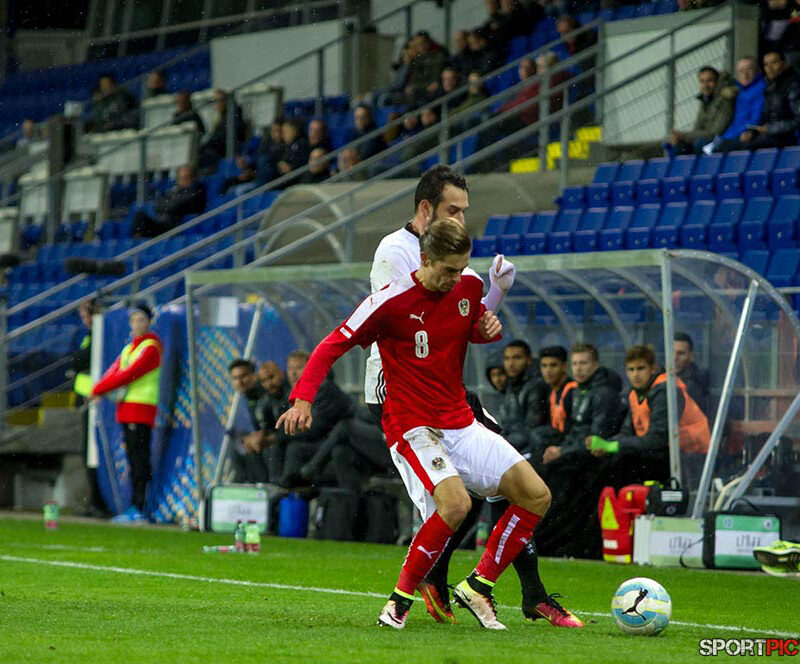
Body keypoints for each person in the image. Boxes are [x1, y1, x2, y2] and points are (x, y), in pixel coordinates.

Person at [277, 219, 581, 631]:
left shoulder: (468, 286)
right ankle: (398, 602)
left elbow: (468, 328)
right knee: (456, 505)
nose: (456, 278)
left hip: (459, 419)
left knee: (535, 495)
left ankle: (478, 585)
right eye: (448, 270)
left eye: (462, 269)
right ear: (424, 259)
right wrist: (302, 399)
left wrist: (492, 309)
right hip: (413, 425)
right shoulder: (390, 300)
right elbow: (333, 344)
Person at [364, 177, 579, 627]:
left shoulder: (448, 252)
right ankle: (435, 588)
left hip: (444, 392)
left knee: (499, 487)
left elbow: (463, 322)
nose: (462, 219)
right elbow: (412, 319)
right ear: (427, 210)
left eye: (464, 210)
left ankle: (489, 588)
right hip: (401, 391)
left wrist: (495, 294)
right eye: (454, 210)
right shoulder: (396, 252)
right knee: (452, 503)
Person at [587, 344, 711, 485]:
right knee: (600, 462)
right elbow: (627, 432)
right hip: (661, 450)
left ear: (653, 369)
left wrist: (615, 446)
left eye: (641, 369)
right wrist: (606, 445)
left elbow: (658, 438)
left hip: (689, 452)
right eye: (631, 369)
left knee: (620, 465)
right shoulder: (635, 394)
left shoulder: (665, 390)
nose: (636, 375)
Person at [90, 303, 162, 523]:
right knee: (134, 459)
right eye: (134, 320)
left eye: (142, 319)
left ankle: (140, 507)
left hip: (141, 409)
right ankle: (134, 505)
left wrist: (99, 389)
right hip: (127, 410)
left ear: (149, 322)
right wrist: (100, 388)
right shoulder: (130, 347)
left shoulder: (151, 347)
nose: (137, 324)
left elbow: (130, 374)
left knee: (140, 460)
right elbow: (115, 370)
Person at [277, 350, 356, 488]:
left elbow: (314, 427)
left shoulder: (326, 390)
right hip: (321, 442)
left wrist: (279, 435)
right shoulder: (292, 392)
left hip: (339, 444)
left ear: (311, 369)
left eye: (299, 368)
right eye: (290, 368)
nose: (293, 373)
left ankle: (288, 488)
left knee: (293, 448)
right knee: (278, 446)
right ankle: (278, 485)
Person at [68, 298, 109, 518]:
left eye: (85, 315)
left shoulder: (100, 336)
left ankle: (99, 502)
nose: (84, 320)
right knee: (87, 453)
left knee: (93, 452)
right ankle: (94, 500)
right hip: (86, 400)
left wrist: (76, 361)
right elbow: (78, 359)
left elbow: (80, 359)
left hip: (96, 401)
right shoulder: (89, 336)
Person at [716, 50, 800, 152]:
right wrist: (752, 131)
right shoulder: (771, 87)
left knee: (741, 147)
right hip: (771, 134)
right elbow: (765, 117)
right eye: (766, 64)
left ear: (784, 64)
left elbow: (797, 120)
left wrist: (770, 129)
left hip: (786, 136)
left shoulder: (793, 86)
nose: (770, 68)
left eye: (774, 62)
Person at [668, 66, 736, 155]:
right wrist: (681, 137)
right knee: (676, 146)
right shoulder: (705, 99)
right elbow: (697, 128)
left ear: (717, 82)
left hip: (720, 140)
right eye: (702, 81)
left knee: (698, 145)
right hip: (705, 139)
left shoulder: (725, 100)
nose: (705, 85)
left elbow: (716, 132)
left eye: (709, 81)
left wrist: (685, 136)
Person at [497, 339, 548, 455]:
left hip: (530, 450)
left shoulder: (536, 386)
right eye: (507, 358)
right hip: (513, 446)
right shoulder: (511, 385)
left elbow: (531, 429)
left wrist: (500, 446)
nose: (511, 363)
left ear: (529, 360)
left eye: (517, 358)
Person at [528, 345, 577, 467]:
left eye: (553, 365)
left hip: (568, 448)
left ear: (564, 367)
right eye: (544, 366)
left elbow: (574, 429)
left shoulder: (573, 391)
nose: (548, 370)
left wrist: (561, 448)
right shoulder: (552, 392)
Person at [227, 359, 273, 484]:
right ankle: (245, 483)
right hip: (266, 441)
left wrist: (258, 436)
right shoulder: (250, 397)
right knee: (238, 441)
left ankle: (261, 485)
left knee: (246, 445)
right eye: (235, 378)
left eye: (243, 376)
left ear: (254, 375)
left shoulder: (265, 393)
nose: (239, 382)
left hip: (274, 441)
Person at [133, 164, 207, 238]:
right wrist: (170, 205)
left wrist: (169, 205)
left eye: (185, 177)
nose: (181, 180)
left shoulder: (195, 191)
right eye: (180, 177)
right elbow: (158, 205)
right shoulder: (174, 190)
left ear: (192, 178)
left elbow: (177, 205)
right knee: (140, 215)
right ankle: (137, 242)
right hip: (161, 222)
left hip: (174, 226)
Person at [714, 57, 766, 151]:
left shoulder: (762, 88)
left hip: (745, 134)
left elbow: (757, 114)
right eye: (741, 71)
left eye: (749, 69)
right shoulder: (737, 90)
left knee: (717, 149)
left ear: (758, 70)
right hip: (730, 133)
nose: (745, 74)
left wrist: (750, 130)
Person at [198, 89, 246, 170]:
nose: (216, 105)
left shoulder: (233, 113)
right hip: (218, 146)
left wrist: (211, 142)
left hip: (225, 148)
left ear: (225, 101)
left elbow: (225, 134)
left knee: (203, 153)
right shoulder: (223, 115)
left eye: (218, 101)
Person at [674, 331, 711, 415]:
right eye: (671, 352)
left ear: (691, 356)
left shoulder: (693, 386)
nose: (675, 358)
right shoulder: (660, 378)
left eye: (680, 353)